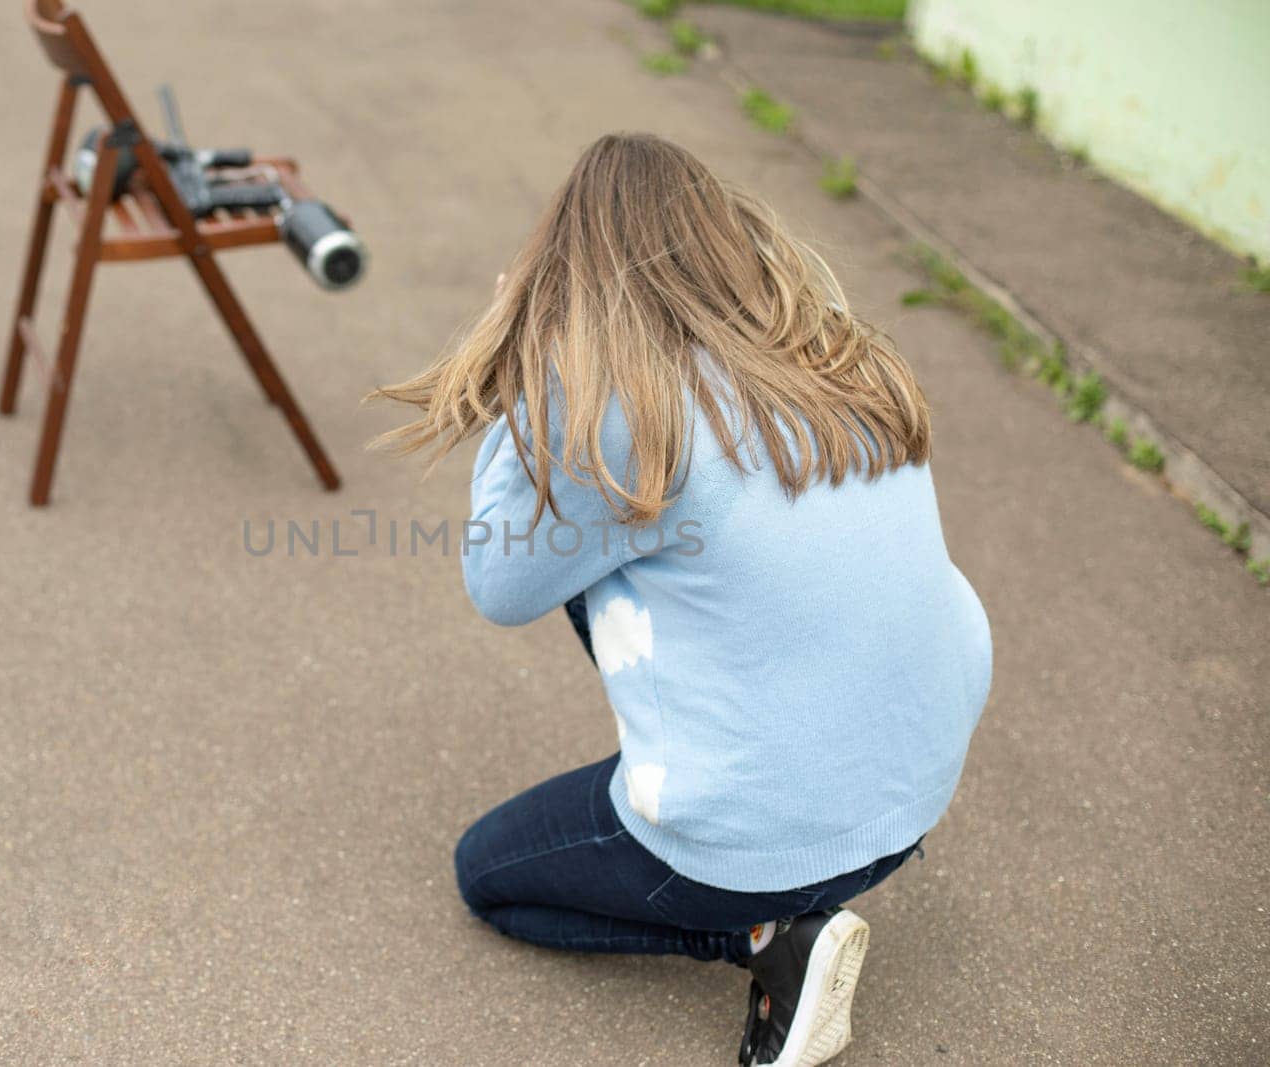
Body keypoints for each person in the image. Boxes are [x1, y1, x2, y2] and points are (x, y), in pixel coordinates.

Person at [370, 132, 991, 1067]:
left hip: (766, 835)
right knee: (664, 551)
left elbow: (499, 583)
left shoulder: (618, 407)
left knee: (488, 876)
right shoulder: (836, 352)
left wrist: (532, 376)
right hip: (907, 799)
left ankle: (769, 938)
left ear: (565, 269)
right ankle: (759, 842)